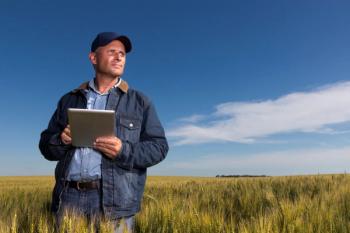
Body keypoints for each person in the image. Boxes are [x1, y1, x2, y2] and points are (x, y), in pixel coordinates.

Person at [39, 32, 169, 232]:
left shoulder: (140, 102)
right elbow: (46, 146)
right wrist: (62, 140)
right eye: (112, 52)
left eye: (122, 54)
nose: (119, 57)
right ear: (93, 58)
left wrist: (122, 150)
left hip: (115, 202)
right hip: (68, 198)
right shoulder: (69, 100)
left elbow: (159, 148)